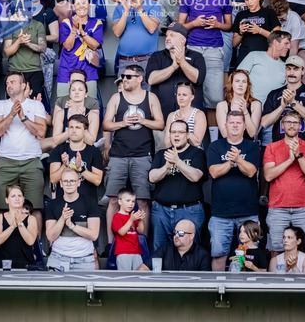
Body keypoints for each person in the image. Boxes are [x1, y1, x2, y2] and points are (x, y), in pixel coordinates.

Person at [103, 64, 164, 243]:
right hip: (118, 154)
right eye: (123, 76)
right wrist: (122, 123)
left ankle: (142, 242)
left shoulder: (150, 97)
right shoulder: (116, 97)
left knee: (143, 201)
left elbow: (161, 124)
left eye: (128, 76)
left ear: (139, 79)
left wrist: (143, 121)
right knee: (113, 200)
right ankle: (111, 243)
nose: (124, 79)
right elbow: (106, 124)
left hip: (143, 154)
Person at [0, 73, 46, 229]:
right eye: (7, 83)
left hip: (31, 161)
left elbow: (41, 132)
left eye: (13, 82)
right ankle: (0, 240)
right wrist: (11, 115)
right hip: (6, 161)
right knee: (1, 206)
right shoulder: (0, 105)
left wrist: (23, 118)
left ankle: (35, 243)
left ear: (23, 86)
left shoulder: (36, 106)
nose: (8, 85)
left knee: (35, 206)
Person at [208, 111, 260, 271]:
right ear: (225, 125)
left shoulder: (252, 147)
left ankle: (248, 287)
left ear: (244, 126)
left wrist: (238, 159)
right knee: (219, 255)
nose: (235, 125)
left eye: (239, 123)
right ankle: (218, 285)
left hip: (248, 212)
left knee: (250, 256)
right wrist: (231, 162)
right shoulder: (216, 146)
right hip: (220, 213)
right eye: (232, 122)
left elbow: (251, 172)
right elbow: (214, 172)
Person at [178, 0, 232, 121]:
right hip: (193, 48)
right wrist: (194, 23)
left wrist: (217, 24)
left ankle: (213, 135)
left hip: (214, 48)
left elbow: (229, 26)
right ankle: (188, 130)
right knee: (189, 96)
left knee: (215, 99)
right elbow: (180, 27)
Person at [149, 120, 207, 249]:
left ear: (187, 135)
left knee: (189, 252)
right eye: (173, 132)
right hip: (161, 211)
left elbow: (195, 177)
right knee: (160, 251)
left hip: (189, 211)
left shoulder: (197, 153)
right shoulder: (161, 154)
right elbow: (152, 177)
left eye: (180, 132)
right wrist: (166, 167)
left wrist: (178, 162)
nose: (176, 135)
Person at [264, 111, 305, 253]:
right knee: (276, 250)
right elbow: (268, 176)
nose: (292, 125)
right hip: (278, 208)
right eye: (288, 122)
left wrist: (298, 156)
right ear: (282, 125)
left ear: (301, 126)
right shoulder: (272, 147)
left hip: (304, 208)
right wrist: (289, 160)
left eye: (295, 123)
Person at [240, 31, 291, 149]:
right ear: (275, 42)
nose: (289, 47)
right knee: (246, 147)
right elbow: (238, 78)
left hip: (271, 115)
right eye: (286, 43)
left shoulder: (284, 66)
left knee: (268, 148)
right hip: (249, 111)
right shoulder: (254, 56)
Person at [146, 22, 206, 122]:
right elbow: (151, 79)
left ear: (183, 40)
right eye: (167, 35)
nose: (167, 38)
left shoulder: (196, 56)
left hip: (190, 119)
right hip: (161, 117)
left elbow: (197, 78)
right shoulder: (156, 56)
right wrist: (173, 67)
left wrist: (182, 62)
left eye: (172, 35)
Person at [45, 168, 100, 270]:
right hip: (58, 258)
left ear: (78, 183)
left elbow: (94, 235)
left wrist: (71, 225)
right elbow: (50, 236)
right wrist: (62, 219)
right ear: (61, 184)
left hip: (84, 259)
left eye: (72, 181)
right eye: (66, 181)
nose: (69, 184)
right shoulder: (52, 204)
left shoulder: (90, 203)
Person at [112, 0, 161, 80]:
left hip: (147, 60)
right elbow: (117, 32)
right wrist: (126, 11)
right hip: (125, 61)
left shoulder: (154, 4)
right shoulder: (120, 7)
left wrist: (140, 9)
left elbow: (152, 28)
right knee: (125, 90)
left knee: (148, 90)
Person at [57, 0, 103, 99]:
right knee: (63, 104)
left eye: (84, 3)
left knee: (90, 104)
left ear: (89, 5)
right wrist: (74, 28)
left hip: (88, 71)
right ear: (73, 7)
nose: (81, 6)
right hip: (66, 70)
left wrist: (81, 31)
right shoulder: (66, 23)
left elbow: (94, 45)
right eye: (78, 3)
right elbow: (68, 46)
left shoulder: (96, 23)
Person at [49, 113, 103, 201]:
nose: (73, 131)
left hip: (87, 202)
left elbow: (97, 181)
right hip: (64, 202)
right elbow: (53, 179)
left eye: (78, 127)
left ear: (85, 131)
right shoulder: (58, 150)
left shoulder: (94, 152)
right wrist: (64, 166)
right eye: (71, 127)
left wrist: (80, 169)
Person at [262, 56, 305, 143]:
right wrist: (282, 107)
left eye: (296, 69)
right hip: (279, 146)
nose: (291, 72)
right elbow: (264, 123)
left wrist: (293, 103)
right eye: (288, 69)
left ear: (303, 71)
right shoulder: (274, 94)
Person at [231, 0, 280, 65]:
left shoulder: (269, 12)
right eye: (246, 0)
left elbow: (278, 37)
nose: (249, 2)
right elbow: (234, 44)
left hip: (265, 54)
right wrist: (241, 33)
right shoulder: (240, 15)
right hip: (245, 55)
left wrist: (260, 31)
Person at [4, 7, 47, 97]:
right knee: (14, 101)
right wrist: (19, 41)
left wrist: (27, 43)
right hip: (14, 71)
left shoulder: (38, 25)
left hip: (34, 70)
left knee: (34, 101)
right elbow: (7, 51)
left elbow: (43, 48)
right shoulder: (10, 26)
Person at [0, 185, 38, 268]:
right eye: (13, 196)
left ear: (23, 199)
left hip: (25, 263)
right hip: (3, 263)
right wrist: (12, 226)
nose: (17, 199)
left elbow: (30, 241)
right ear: (7, 200)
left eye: (19, 196)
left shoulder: (31, 219)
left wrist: (20, 223)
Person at [50, 80, 100, 148]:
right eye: (73, 90)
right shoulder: (61, 113)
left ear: (85, 94)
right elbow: (56, 140)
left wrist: (81, 120)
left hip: (85, 150)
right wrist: (73, 126)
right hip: (65, 149)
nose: (76, 92)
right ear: (70, 95)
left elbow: (91, 141)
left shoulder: (92, 115)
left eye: (80, 90)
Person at [216, 70, 262, 140]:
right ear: (232, 84)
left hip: (247, 144)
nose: (241, 85)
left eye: (244, 82)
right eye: (237, 81)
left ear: (247, 85)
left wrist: (245, 111)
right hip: (227, 145)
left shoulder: (256, 104)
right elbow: (225, 134)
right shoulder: (222, 105)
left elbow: (252, 133)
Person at [272, 0, 305, 80]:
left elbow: (294, 47)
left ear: (287, 11)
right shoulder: (270, 16)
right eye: (277, 19)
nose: (279, 22)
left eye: (282, 19)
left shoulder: (294, 18)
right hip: (280, 48)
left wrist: (288, 68)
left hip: (297, 48)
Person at [112, 188, 146, 271]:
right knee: (125, 275)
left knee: (138, 274)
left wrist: (140, 220)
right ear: (120, 201)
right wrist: (131, 220)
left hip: (136, 251)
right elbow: (121, 232)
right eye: (128, 201)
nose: (131, 204)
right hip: (123, 252)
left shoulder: (132, 216)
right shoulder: (117, 216)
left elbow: (141, 231)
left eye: (133, 201)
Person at [164, 83, 207, 148]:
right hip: (175, 151)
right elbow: (167, 144)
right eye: (179, 94)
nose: (181, 98)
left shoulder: (198, 114)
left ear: (192, 97)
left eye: (184, 95)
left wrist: (182, 124)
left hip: (193, 152)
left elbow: (196, 143)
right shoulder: (171, 115)